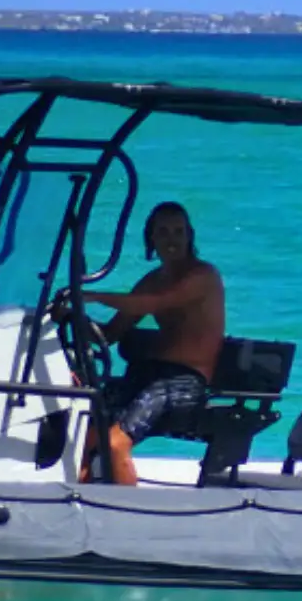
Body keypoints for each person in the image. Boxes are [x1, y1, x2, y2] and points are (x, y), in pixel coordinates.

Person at [66, 201, 225, 485]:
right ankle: (80, 498)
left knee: (115, 443)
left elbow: (156, 302)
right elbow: (112, 333)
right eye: (162, 232)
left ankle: (128, 518)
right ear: (150, 238)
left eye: (178, 231)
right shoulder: (153, 279)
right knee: (82, 433)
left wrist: (91, 295)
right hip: (147, 376)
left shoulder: (202, 276)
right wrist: (73, 316)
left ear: (190, 236)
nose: (171, 239)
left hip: (185, 383)